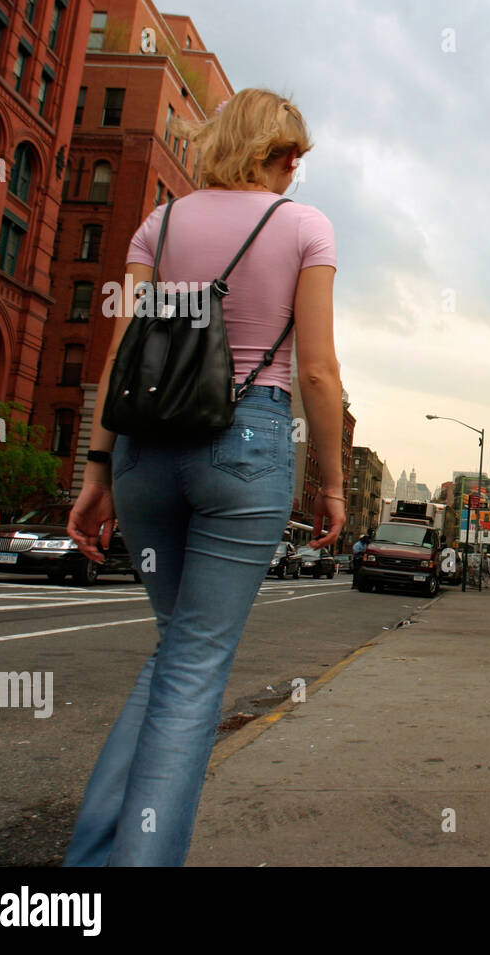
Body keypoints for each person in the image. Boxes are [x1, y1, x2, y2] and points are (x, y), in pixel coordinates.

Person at [63, 89, 344, 867]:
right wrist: (331, 484)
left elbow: (124, 353)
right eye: (293, 155)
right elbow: (318, 372)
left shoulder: (162, 222)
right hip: (246, 441)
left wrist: (96, 468)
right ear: (271, 150)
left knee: (176, 652)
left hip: (144, 448)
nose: (297, 170)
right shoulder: (304, 227)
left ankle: (90, 865)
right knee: (193, 665)